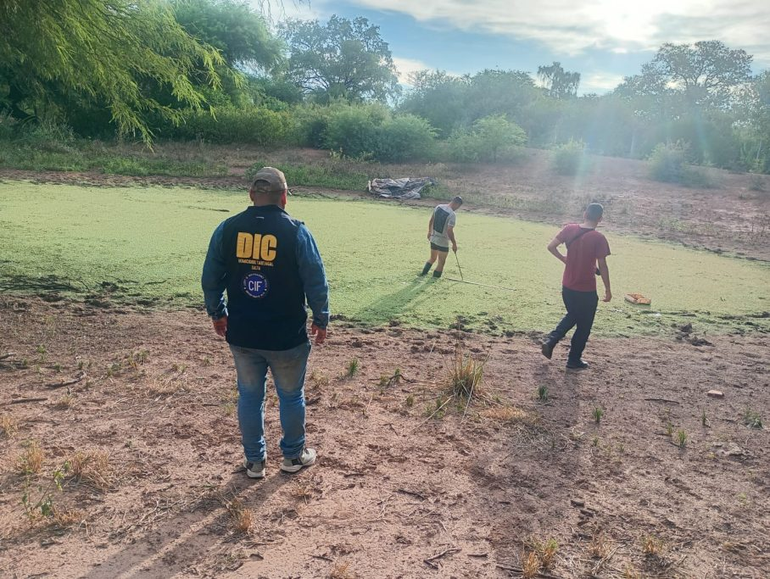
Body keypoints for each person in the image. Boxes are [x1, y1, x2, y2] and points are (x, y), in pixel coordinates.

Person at [202, 167, 329, 479]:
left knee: (249, 395)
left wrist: (217, 313)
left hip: (243, 333)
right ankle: (293, 455)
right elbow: (316, 281)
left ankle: (255, 461)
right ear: (284, 197)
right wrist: (321, 317)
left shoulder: (227, 229)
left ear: (251, 195)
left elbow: (210, 278)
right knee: (290, 395)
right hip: (287, 336)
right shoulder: (297, 231)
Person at [541, 203, 612, 369]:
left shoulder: (569, 229)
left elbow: (551, 247)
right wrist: (608, 289)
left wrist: (564, 259)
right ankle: (568, 355)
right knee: (583, 325)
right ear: (600, 219)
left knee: (574, 315)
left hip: (567, 286)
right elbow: (603, 266)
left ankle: (554, 343)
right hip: (586, 290)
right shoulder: (599, 238)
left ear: (585, 213)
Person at [420, 196, 463, 278]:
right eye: (458, 206)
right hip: (442, 241)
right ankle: (434, 279)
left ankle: (422, 274)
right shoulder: (452, 214)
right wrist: (454, 244)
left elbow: (431, 220)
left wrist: (429, 232)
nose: (457, 208)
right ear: (456, 204)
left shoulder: (438, 207)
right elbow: (449, 230)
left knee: (432, 258)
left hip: (433, 238)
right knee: (441, 262)